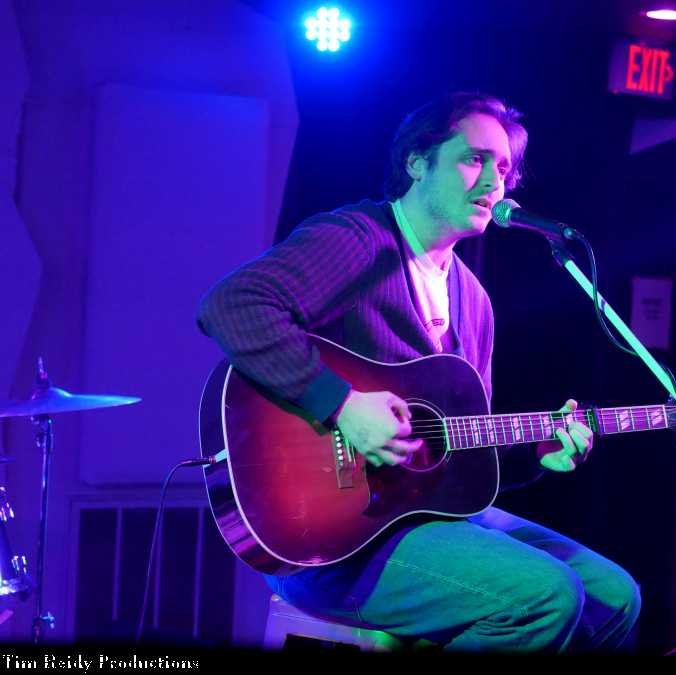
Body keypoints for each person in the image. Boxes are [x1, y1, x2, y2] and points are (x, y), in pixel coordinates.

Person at [196, 92, 640, 652]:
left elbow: (455, 456)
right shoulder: (359, 241)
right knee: (546, 597)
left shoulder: (473, 302)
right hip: (327, 542)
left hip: (417, 522)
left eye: (504, 168)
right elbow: (231, 306)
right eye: (474, 159)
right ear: (416, 162)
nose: (494, 182)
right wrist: (342, 405)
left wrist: (536, 453)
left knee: (615, 596)